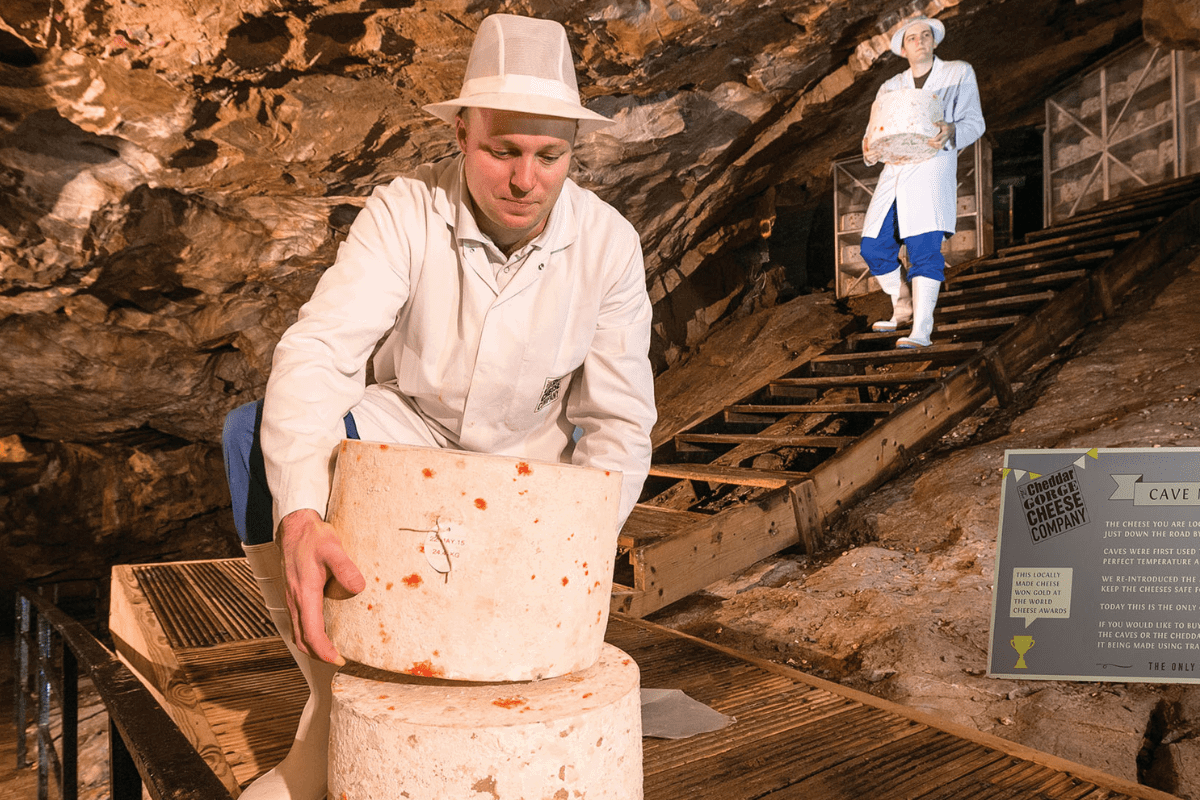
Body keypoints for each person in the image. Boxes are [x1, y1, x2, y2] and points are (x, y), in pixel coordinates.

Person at [220, 14, 656, 800]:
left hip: (531, 474)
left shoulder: (610, 244)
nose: (525, 180)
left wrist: (573, 560)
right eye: (502, 151)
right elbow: (319, 352)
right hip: (407, 441)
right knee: (252, 435)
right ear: (461, 133)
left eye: (549, 156)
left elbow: (620, 426)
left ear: (572, 151)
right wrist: (301, 517)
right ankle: (331, 710)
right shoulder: (404, 211)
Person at [859, 15, 985, 347]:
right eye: (912, 37)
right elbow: (873, 132)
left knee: (923, 248)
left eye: (926, 35)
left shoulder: (958, 73)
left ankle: (922, 330)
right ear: (902, 48)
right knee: (873, 245)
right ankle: (902, 303)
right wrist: (870, 149)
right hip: (896, 170)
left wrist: (953, 129)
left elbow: (974, 121)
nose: (920, 41)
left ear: (934, 41)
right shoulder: (890, 87)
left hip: (932, 167)